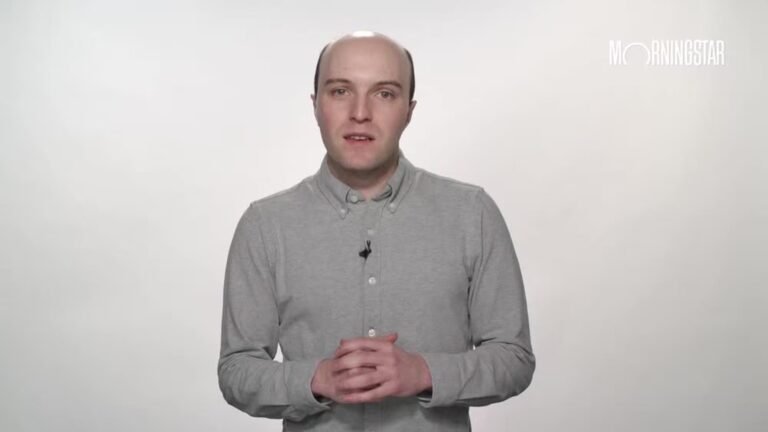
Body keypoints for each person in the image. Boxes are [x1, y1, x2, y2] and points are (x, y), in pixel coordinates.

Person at [218, 31, 535, 431]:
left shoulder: (472, 213)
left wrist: (424, 373)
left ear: (409, 110)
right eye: (340, 91)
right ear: (315, 105)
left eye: (384, 93)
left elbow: (514, 359)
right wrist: (315, 380)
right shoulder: (265, 225)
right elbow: (236, 370)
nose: (360, 113)